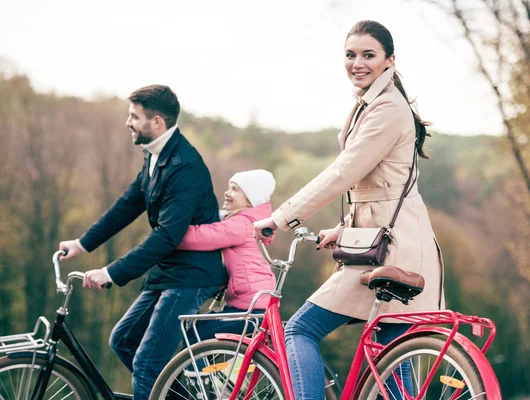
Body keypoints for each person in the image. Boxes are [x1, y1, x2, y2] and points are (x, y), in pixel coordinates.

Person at [253, 20, 444, 399]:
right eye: (351, 54)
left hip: (391, 250)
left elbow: (344, 173)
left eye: (368, 55)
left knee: (299, 330)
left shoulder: (386, 108)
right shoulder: (375, 103)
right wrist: (342, 228)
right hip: (399, 242)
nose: (358, 63)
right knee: (393, 360)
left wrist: (280, 217)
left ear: (389, 60)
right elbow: (380, 189)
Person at [58, 84, 227, 400]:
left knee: (148, 364)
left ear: (157, 122)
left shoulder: (185, 166)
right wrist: (83, 244)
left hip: (190, 275)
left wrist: (111, 272)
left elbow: (166, 236)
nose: (128, 122)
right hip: (169, 271)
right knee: (123, 340)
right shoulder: (155, 155)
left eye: (134, 116)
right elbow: (127, 205)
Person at [177, 169, 277, 339]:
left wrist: (171, 233)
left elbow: (202, 237)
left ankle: (195, 366)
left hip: (251, 308)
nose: (227, 192)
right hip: (254, 305)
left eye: (235, 189)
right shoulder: (247, 223)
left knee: (196, 332)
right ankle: (212, 366)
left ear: (250, 201)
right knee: (198, 326)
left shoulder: (240, 224)